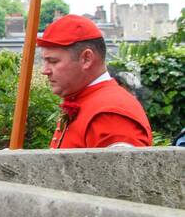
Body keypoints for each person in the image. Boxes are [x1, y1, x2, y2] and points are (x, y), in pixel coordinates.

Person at [38, 14, 152, 148]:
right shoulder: (87, 100)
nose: (44, 70)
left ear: (86, 59)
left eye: (53, 61)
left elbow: (122, 169)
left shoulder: (111, 115)